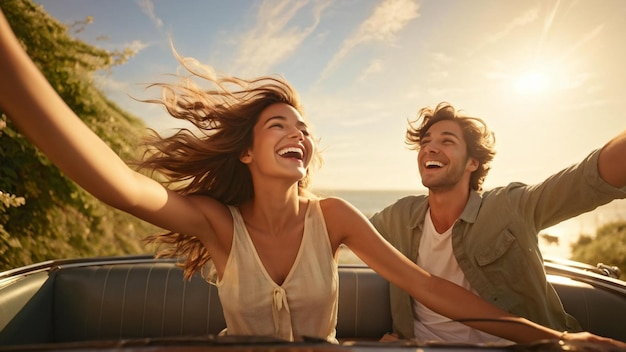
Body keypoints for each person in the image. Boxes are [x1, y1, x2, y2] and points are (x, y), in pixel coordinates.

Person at [0, 10, 623, 348]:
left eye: (303, 127)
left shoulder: (336, 219)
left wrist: (552, 340)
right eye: (278, 125)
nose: (298, 133)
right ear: (245, 152)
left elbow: (430, 286)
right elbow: (117, 184)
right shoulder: (220, 223)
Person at [370, 102, 626, 344]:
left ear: (473, 162)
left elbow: (587, 179)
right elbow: (340, 228)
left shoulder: (509, 206)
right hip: (422, 346)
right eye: (425, 142)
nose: (430, 148)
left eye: (447, 141)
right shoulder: (400, 216)